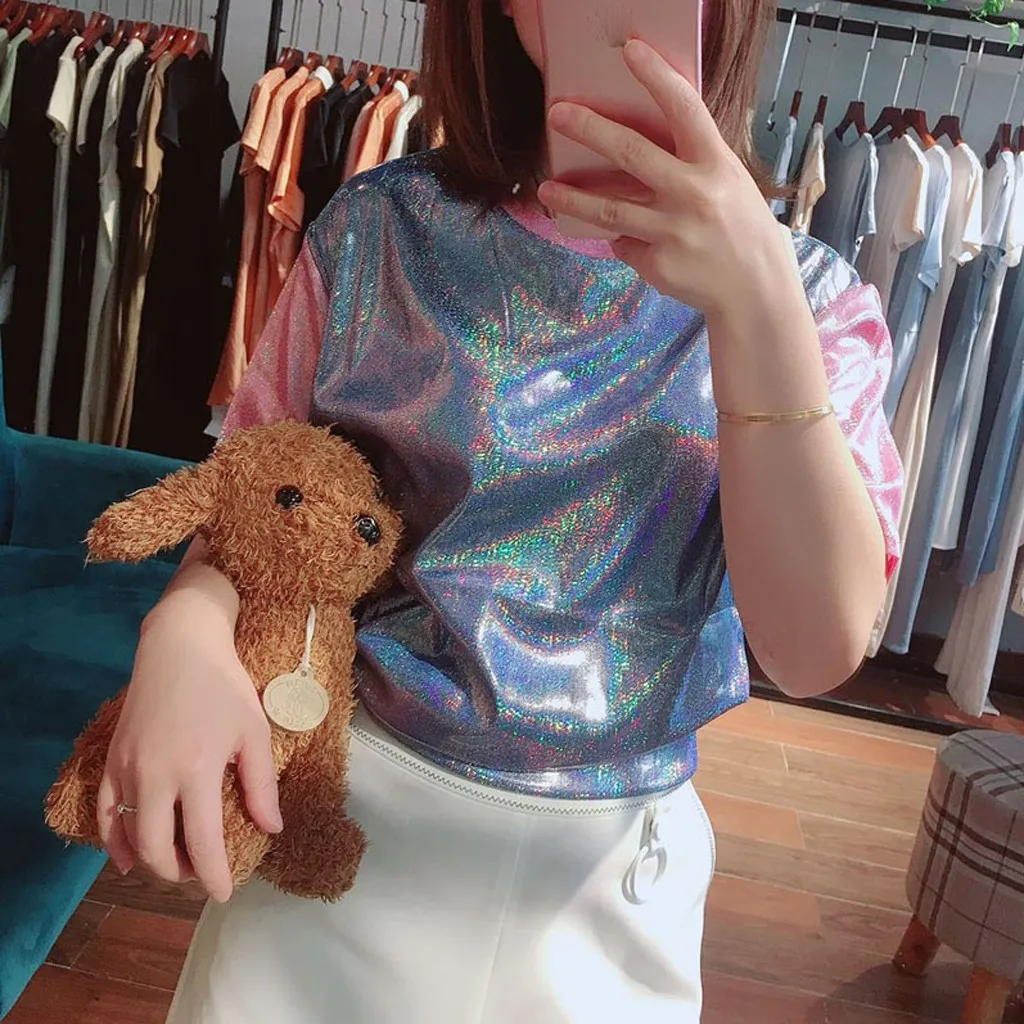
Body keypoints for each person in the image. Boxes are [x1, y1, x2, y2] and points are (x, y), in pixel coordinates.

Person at [97, 1, 904, 1021]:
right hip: (341, 825)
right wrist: (185, 625)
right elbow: (261, 498)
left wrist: (760, 309)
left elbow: (815, 647)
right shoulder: (379, 235)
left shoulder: (814, 303)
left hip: (611, 888)